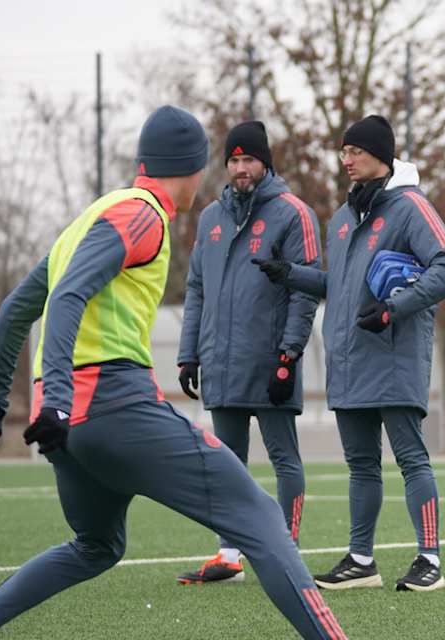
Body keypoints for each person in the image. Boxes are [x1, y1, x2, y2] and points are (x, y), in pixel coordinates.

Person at [0, 107, 347, 640]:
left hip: (67, 426)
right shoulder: (144, 213)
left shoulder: (93, 214)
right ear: (193, 168)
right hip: (109, 406)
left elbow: (15, 310)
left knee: (97, 546)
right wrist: (56, 397)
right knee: (261, 515)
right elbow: (67, 296)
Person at [255, 115, 445, 592]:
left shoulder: (412, 206)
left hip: (393, 355)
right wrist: (291, 273)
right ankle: (361, 559)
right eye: (343, 152)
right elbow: (342, 287)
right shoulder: (344, 219)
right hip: (348, 359)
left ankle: (429, 559)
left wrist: (395, 308)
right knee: (362, 465)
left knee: (412, 458)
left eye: (354, 151)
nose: (345, 159)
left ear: (381, 155)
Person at [175, 121, 320, 585]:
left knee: (284, 459)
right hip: (221, 364)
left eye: (249, 160)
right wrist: (189, 353)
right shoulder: (211, 218)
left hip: (270, 362)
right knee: (226, 463)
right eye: (233, 161)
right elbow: (196, 289)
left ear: (265, 163)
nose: (240, 168)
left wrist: (289, 354)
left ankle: (288, 551)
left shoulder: (293, 213)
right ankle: (229, 555)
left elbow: (305, 290)